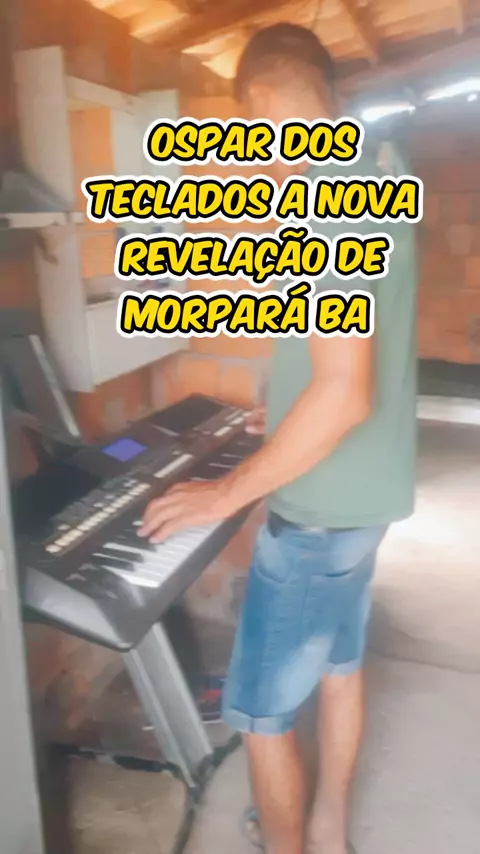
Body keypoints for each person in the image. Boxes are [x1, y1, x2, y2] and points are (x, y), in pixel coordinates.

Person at [139, 23, 417, 854]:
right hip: (369, 498)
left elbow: (344, 392)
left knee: (261, 716)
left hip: (318, 515)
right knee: (338, 667)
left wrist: (224, 494)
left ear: (260, 109)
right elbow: (360, 353)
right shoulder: (382, 171)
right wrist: (291, 405)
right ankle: (326, 831)